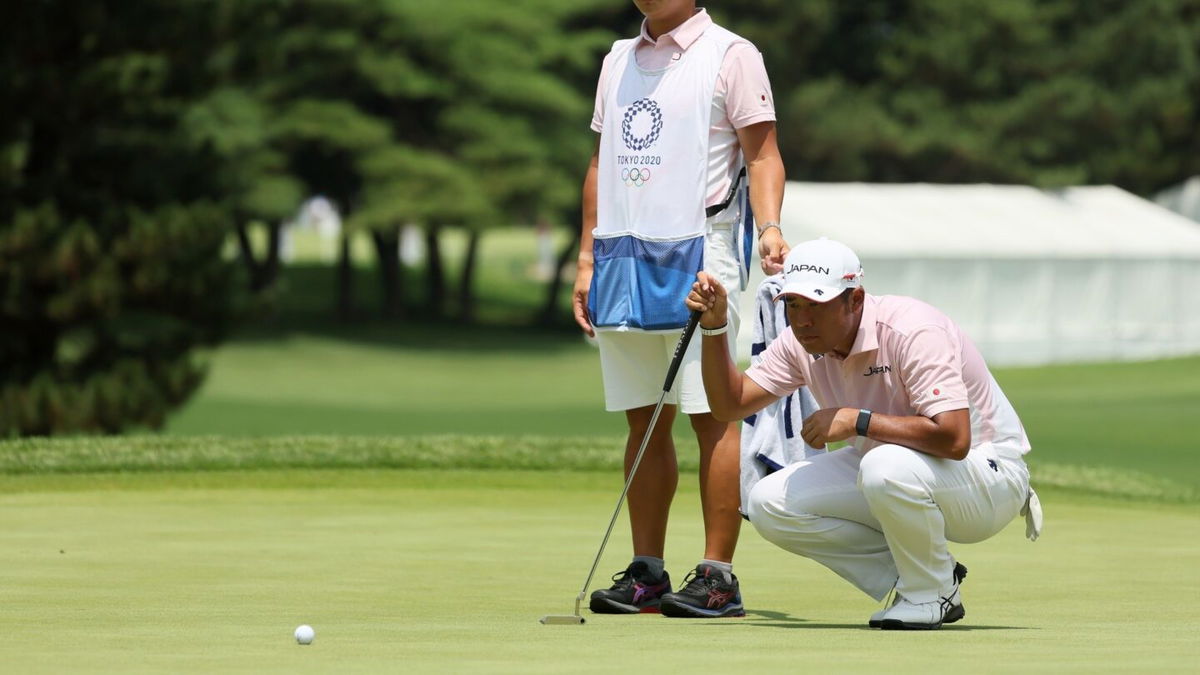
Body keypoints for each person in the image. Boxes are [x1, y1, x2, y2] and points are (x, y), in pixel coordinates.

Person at [685, 238, 1043, 629]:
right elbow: (730, 404)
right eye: (793, 304)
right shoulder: (799, 341)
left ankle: (929, 593)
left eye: (816, 306)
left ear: (855, 299)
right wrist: (715, 327)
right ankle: (933, 577)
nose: (802, 320)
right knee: (768, 502)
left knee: (883, 464)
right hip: (894, 467)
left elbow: (955, 439)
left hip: (988, 475)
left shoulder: (913, 329)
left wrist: (857, 420)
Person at [572, 0, 789, 618]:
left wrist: (770, 226)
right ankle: (647, 576)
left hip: (703, 248)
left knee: (713, 416)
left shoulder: (733, 55)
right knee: (644, 420)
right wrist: (585, 258)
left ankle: (718, 577)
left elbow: (764, 154)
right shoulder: (617, 59)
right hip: (622, 253)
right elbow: (599, 162)